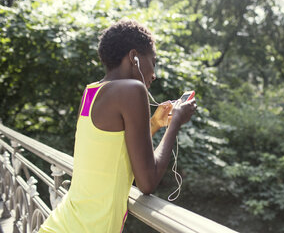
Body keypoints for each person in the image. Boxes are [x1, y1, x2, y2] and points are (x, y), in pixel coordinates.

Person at [38, 19, 197, 233]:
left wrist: (154, 124)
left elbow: (113, 150)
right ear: (134, 58)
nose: (154, 73)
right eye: (153, 61)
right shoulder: (132, 90)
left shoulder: (91, 92)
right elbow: (147, 181)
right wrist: (175, 123)